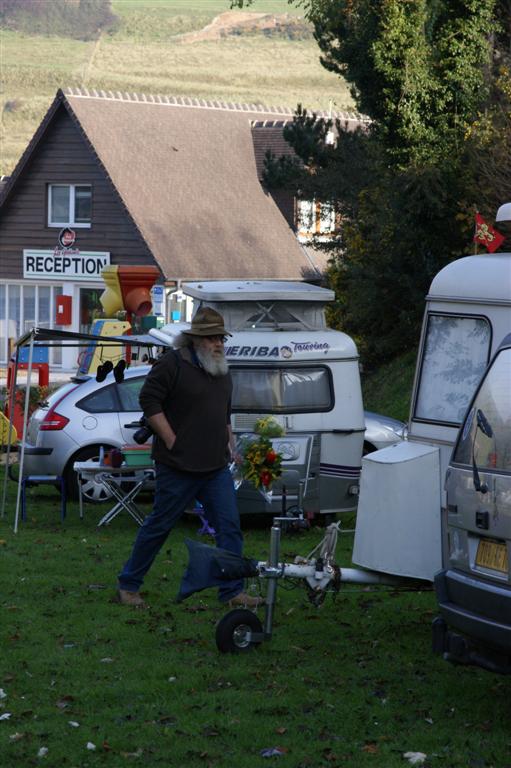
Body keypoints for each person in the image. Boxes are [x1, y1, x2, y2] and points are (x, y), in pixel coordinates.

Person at [116, 306, 262, 609]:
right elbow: (148, 399)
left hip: (215, 468)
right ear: (195, 340)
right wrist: (170, 438)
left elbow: (224, 412)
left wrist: (230, 441)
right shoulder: (173, 364)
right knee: (159, 525)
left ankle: (232, 592)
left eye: (220, 337)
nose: (218, 343)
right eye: (211, 338)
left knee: (229, 526)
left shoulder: (222, 368)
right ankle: (128, 585)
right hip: (177, 466)